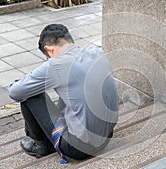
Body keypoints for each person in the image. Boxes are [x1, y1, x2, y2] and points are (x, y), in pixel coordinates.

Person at [8, 24, 119, 163]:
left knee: (30, 95)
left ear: (49, 50)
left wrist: (26, 81)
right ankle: (55, 135)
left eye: (47, 57)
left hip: (78, 148)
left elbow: (15, 92)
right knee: (73, 88)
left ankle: (42, 145)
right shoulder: (96, 52)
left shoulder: (56, 65)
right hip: (106, 136)